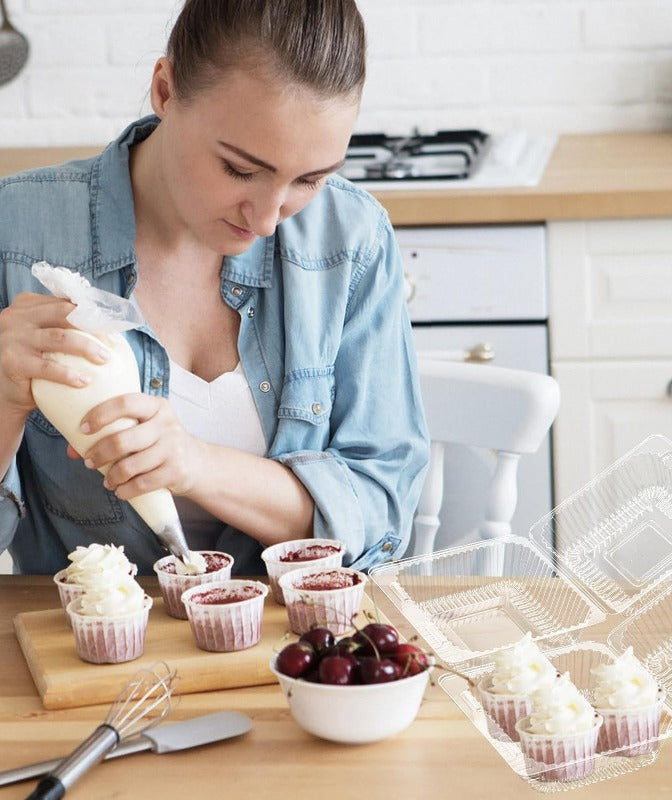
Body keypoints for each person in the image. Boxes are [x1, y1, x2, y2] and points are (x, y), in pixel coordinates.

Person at [0, 0, 429, 576]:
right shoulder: (16, 232)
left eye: (310, 179)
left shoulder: (349, 238)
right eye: (239, 169)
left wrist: (196, 465)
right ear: (165, 89)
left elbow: (381, 514)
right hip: (86, 651)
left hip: (297, 649)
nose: (269, 217)